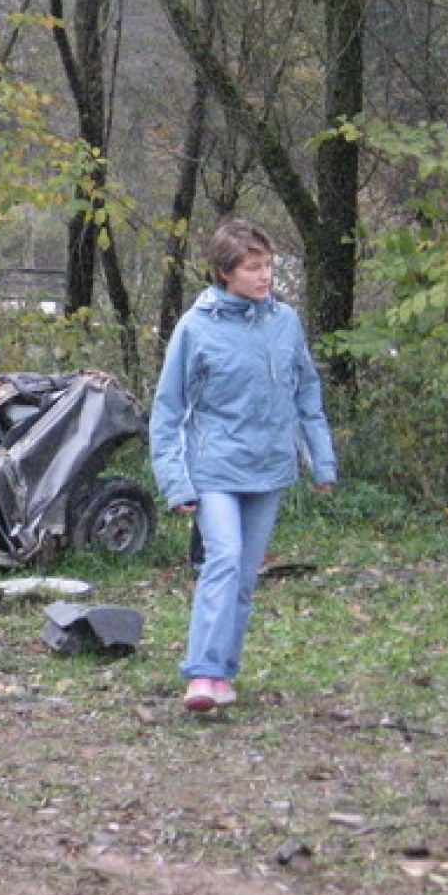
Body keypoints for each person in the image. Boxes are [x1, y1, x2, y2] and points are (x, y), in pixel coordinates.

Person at [150, 218, 337, 714]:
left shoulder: (286, 322)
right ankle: (202, 674)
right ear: (224, 272)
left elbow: (307, 392)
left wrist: (322, 460)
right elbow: (169, 409)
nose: (265, 276)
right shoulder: (195, 327)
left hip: (270, 466)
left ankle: (224, 672)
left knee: (246, 574)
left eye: (269, 266)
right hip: (214, 467)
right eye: (253, 268)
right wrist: (175, 480)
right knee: (224, 559)